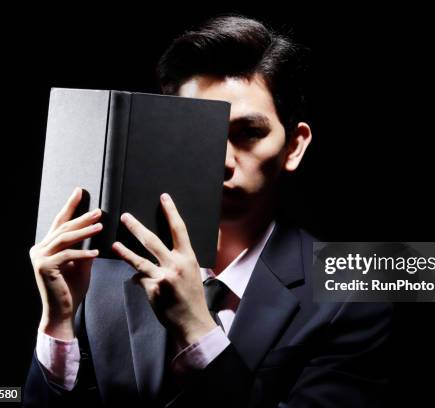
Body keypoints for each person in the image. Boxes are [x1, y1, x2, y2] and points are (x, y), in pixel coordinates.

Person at [23, 15, 392, 408]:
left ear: (294, 146)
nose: (222, 159)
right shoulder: (101, 277)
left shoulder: (351, 299)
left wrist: (198, 332)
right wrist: (57, 326)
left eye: (249, 133)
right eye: (198, 131)